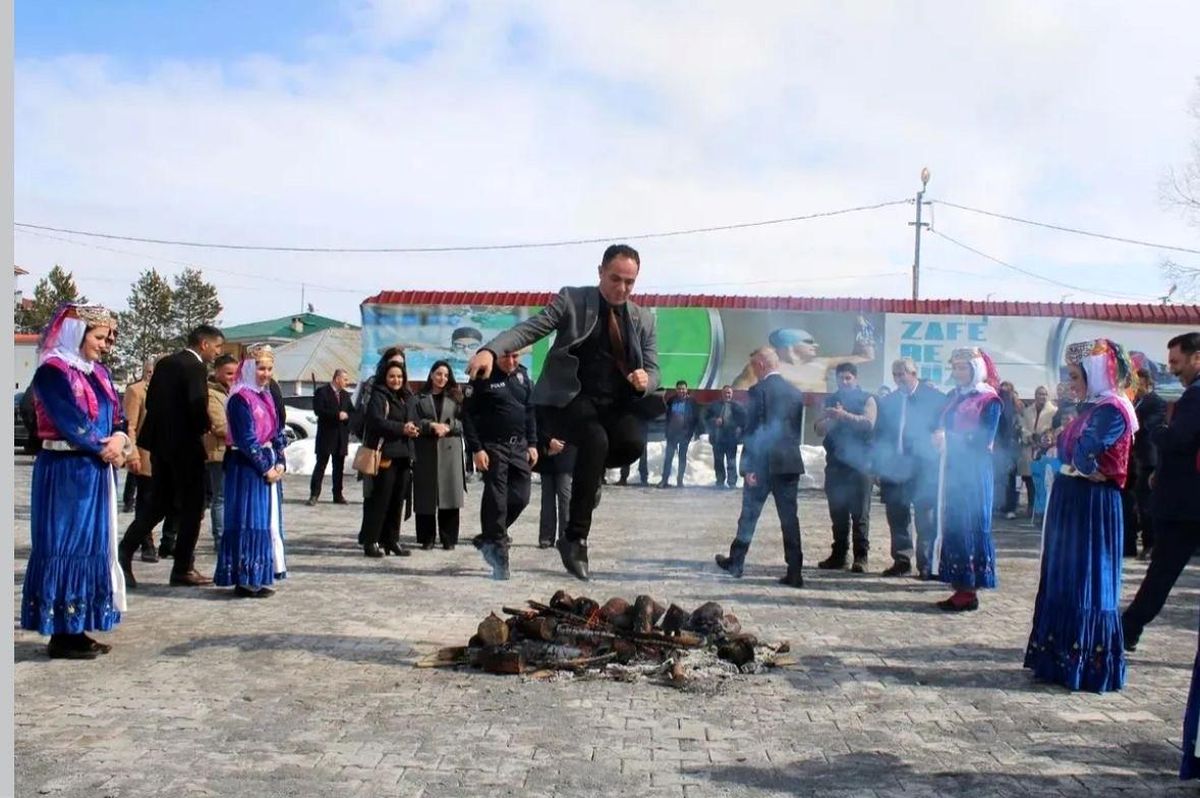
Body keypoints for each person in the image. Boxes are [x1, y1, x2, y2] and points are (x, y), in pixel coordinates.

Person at [467, 243, 660, 581]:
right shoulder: (572, 300)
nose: (622, 288)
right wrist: (491, 350)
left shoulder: (643, 319)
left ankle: (592, 476)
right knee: (595, 441)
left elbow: (655, 370)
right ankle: (574, 539)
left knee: (632, 444)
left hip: (614, 404)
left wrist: (646, 380)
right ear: (600, 272)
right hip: (569, 400)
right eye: (615, 279)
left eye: (630, 282)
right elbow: (531, 328)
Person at [1024, 339, 1137, 692]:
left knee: (1087, 577)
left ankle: (1086, 663)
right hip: (1074, 497)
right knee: (1065, 576)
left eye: (1076, 376)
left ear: (1097, 373)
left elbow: (1083, 453)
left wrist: (1080, 462)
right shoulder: (1093, 408)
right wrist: (1075, 458)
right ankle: (1059, 659)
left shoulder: (1113, 410)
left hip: (1091, 504)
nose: (1071, 384)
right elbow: (1069, 451)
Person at [22, 304, 131, 659]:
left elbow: (118, 416)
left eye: (109, 339)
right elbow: (70, 420)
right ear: (77, 334)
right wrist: (105, 447)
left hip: (94, 470)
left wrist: (119, 438)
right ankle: (61, 632)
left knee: (91, 544)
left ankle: (79, 624)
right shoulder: (53, 371)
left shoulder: (98, 373)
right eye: (99, 337)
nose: (106, 345)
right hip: (66, 470)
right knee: (65, 543)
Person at [118, 324, 224, 589]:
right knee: (193, 508)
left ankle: (124, 551)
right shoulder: (195, 367)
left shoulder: (165, 363)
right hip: (185, 448)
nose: (217, 352)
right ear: (204, 344)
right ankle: (182, 568)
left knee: (158, 505)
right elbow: (197, 405)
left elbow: (153, 403)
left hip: (160, 447)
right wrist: (206, 426)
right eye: (217, 347)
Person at [1122, 332, 1200, 652]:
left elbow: (1178, 440)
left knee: (1161, 574)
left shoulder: (1195, 395)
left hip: (1185, 505)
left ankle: (1128, 629)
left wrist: (1157, 430)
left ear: (1197, 358)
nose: (1172, 369)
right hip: (1186, 499)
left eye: (1176, 362)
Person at [714, 346, 805, 587]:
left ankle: (736, 563)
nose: (753, 370)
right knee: (790, 520)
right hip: (789, 464)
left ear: (762, 365)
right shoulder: (795, 393)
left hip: (762, 465)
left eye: (754, 365)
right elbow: (795, 432)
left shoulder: (758, 391)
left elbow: (753, 432)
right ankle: (795, 571)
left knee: (749, 516)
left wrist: (748, 468)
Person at [213, 345, 289, 598]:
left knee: (266, 520)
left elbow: (277, 430)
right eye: (260, 368)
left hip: (266, 462)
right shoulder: (240, 398)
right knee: (248, 519)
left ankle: (260, 574)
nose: (265, 374)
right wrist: (265, 467)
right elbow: (246, 438)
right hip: (246, 466)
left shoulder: (265, 395)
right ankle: (244, 578)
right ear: (248, 368)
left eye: (269, 369)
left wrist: (280, 459)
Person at [932, 347, 1002, 611]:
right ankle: (960, 585)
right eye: (955, 367)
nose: (957, 372)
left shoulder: (989, 400)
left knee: (969, 524)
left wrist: (950, 439)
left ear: (976, 369)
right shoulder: (955, 396)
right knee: (955, 524)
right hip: (955, 468)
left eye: (963, 368)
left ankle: (969, 589)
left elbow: (984, 439)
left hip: (973, 471)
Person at [464, 350, 538, 579]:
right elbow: (467, 416)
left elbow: (530, 412)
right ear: (496, 357)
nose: (512, 361)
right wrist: (477, 449)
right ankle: (500, 559)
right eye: (507, 357)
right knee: (497, 501)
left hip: (519, 447)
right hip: (493, 447)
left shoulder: (522, 377)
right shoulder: (483, 377)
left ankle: (488, 536)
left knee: (521, 497)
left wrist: (533, 443)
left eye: (516, 356)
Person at [873, 358, 946, 578]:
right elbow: (880, 436)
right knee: (897, 516)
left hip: (924, 467)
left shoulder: (935, 398)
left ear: (914, 374)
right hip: (894, 466)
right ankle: (902, 560)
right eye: (895, 375)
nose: (898, 379)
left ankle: (927, 563)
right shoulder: (888, 402)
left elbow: (943, 429)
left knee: (926, 517)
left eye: (902, 374)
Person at [815, 363, 876, 573]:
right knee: (838, 513)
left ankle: (861, 557)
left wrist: (844, 416)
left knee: (860, 514)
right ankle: (839, 555)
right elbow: (818, 428)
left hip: (861, 465)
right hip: (836, 464)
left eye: (848, 378)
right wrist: (830, 420)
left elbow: (868, 423)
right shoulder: (830, 400)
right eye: (841, 378)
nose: (844, 381)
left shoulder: (867, 398)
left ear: (856, 378)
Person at [358, 359, 419, 558]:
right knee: (380, 500)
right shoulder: (379, 396)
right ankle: (371, 541)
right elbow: (376, 422)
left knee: (397, 501)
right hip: (385, 455)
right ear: (385, 377)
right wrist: (402, 428)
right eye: (392, 376)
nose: (396, 380)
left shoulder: (406, 397)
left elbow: (415, 419)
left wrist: (415, 428)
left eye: (399, 376)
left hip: (404, 456)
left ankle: (392, 540)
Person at [122, 355, 177, 563]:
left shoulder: (174, 391)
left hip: (170, 456)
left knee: (173, 503)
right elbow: (130, 425)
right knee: (147, 502)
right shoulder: (136, 391)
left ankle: (168, 541)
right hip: (146, 455)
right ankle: (146, 544)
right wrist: (132, 453)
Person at [731, 318, 877, 393]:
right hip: (779, 425)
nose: (815, 345)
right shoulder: (764, 367)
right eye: (808, 342)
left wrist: (862, 329)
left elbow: (865, 356)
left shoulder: (821, 363)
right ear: (790, 345)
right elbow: (738, 394)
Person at [412, 360, 467, 550]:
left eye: (445, 375)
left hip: (450, 449)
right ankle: (426, 538)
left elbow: (465, 423)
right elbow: (414, 421)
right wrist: (430, 426)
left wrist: (449, 427)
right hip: (426, 449)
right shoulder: (419, 397)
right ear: (431, 375)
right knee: (426, 495)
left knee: (449, 494)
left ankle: (448, 538)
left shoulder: (456, 397)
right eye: (438, 374)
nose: (442, 378)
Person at [1130, 369, 1167, 560]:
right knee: (1134, 502)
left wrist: (1130, 419)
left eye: (1136, 381)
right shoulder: (1136, 401)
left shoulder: (1156, 402)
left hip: (1148, 460)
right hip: (1133, 458)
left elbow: (1147, 427)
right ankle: (1131, 542)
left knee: (1146, 505)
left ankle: (1150, 544)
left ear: (1145, 381)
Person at [204, 354, 237, 551]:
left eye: (235, 373)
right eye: (228, 373)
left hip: (237, 452)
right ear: (217, 373)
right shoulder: (211, 394)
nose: (233, 377)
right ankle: (220, 539)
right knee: (221, 497)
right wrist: (245, 430)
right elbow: (220, 426)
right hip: (219, 452)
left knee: (233, 497)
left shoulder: (237, 391)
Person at [308, 369, 353, 506]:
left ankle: (338, 495)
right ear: (337, 379)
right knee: (321, 466)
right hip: (326, 436)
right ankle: (314, 494)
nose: (347, 382)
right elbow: (319, 410)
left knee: (338, 468)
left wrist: (349, 419)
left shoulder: (345, 395)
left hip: (341, 437)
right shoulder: (322, 392)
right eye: (345, 379)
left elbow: (351, 412)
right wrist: (336, 415)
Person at [536, 414, 576, 549]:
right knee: (547, 499)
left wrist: (560, 445)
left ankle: (565, 536)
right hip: (546, 453)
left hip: (566, 452)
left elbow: (576, 426)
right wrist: (549, 441)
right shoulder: (542, 404)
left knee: (565, 497)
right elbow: (536, 424)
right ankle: (546, 536)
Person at [1018, 386, 1057, 519]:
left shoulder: (1053, 411)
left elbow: (1054, 428)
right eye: (1040, 394)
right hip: (1029, 447)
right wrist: (1029, 436)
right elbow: (1023, 426)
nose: (1042, 396)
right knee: (1029, 478)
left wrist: (1044, 439)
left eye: (1045, 394)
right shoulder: (1028, 411)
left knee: (1043, 478)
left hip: (1044, 448)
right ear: (1035, 395)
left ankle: (1042, 508)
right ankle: (1031, 505)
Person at [659, 380, 700, 488]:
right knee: (668, 458)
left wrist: (692, 433)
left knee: (682, 458)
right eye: (679, 389)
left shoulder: (692, 402)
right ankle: (664, 480)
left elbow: (696, 418)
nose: (681, 391)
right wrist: (667, 431)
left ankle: (680, 481)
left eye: (683, 389)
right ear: (676, 390)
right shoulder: (671, 400)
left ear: (686, 389)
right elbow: (667, 416)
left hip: (684, 434)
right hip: (672, 434)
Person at [705, 385, 745, 488]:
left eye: (729, 393)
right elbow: (706, 418)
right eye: (725, 393)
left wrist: (739, 427)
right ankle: (720, 481)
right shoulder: (715, 406)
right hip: (717, 438)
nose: (727, 395)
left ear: (732, 394)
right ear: (722, 394)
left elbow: (744, 420)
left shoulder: (737, 406)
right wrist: (714, 421)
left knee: (731, 461)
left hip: (731, 439)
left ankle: (732, 482)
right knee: (718, 461)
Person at [995, 381, 1023, 519]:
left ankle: (1012, 506)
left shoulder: (1018, 407)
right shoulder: (998, 405)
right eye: (1002, 389)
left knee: (1014, 478)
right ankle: (1003, 505)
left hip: (1014, 448)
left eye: (1007, 389)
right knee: (1001, 478)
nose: (1005, 392)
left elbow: (1022, 426)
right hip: (1001, 447)